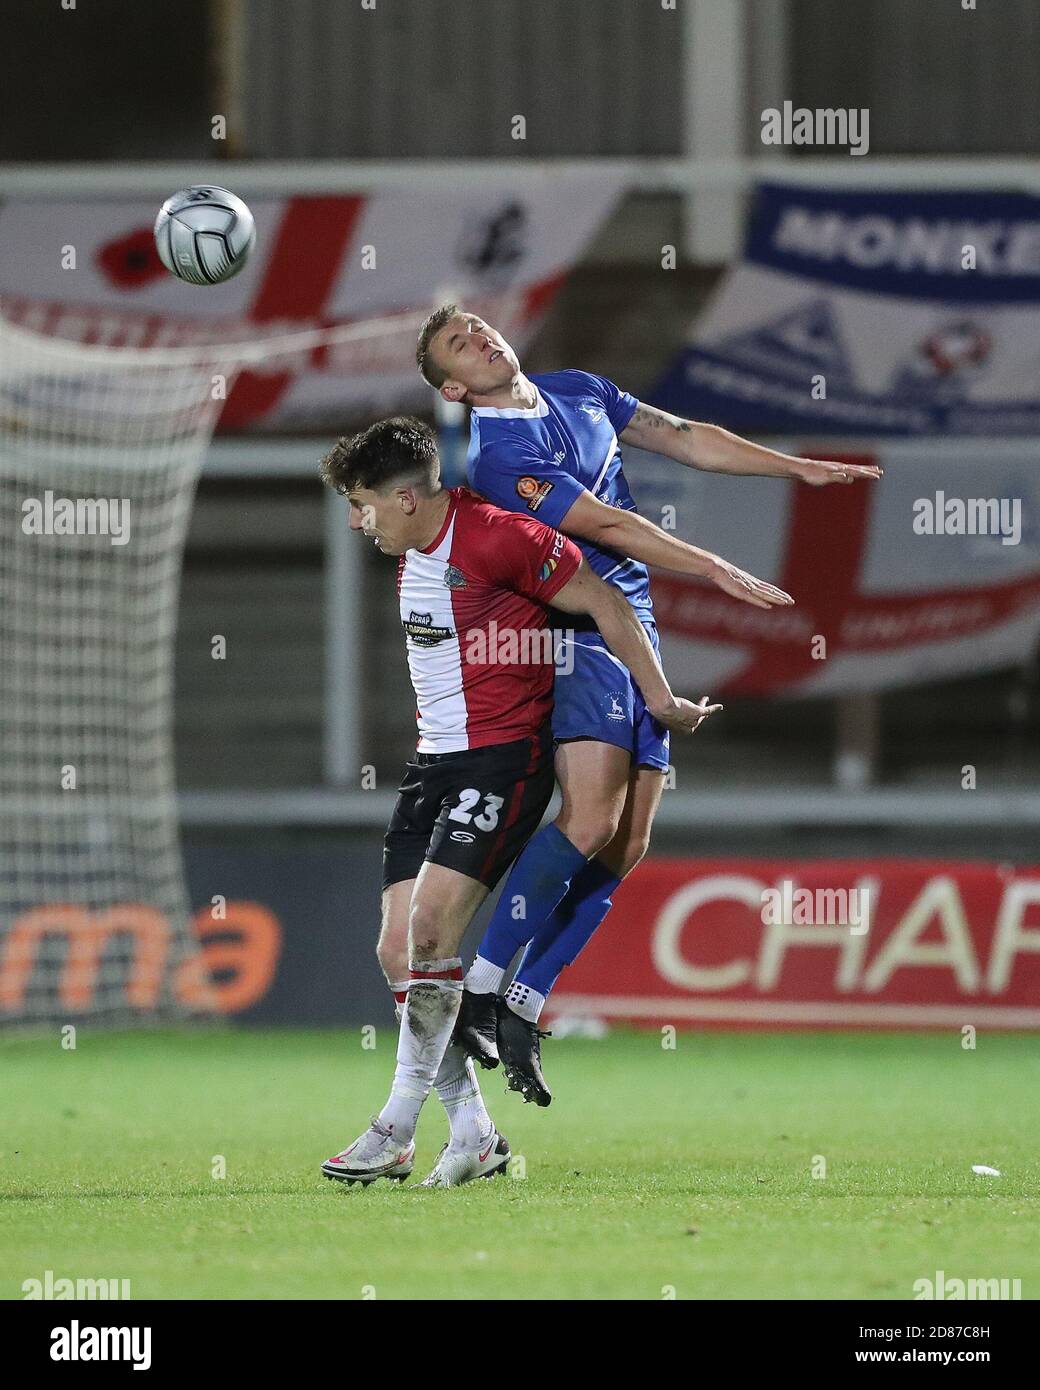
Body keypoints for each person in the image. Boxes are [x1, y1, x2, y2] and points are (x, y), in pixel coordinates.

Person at [416, 305, 881, 1104]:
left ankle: (524, 1005)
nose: (482, 339)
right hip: (575, 626)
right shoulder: (498, 455)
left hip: (633, 623)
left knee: (628, 842)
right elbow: (607, 525)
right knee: (589, 818)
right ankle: (482, 989)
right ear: (454, 386)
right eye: (460, 345)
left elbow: (685, 434)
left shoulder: (578, 389)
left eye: (481, 327)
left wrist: (795, 467)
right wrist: (713, 567)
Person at [317, 417, 718, 1186]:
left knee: (432, 930)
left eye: (361, 503)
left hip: (502, 761)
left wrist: (660, 699)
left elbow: (606, 601)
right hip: (432, 763)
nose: (354, 520)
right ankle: (473, 1132)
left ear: (405, 499)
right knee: (397, 951)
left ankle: (395, 1125)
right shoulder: (417, 542)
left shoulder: (500, 537)